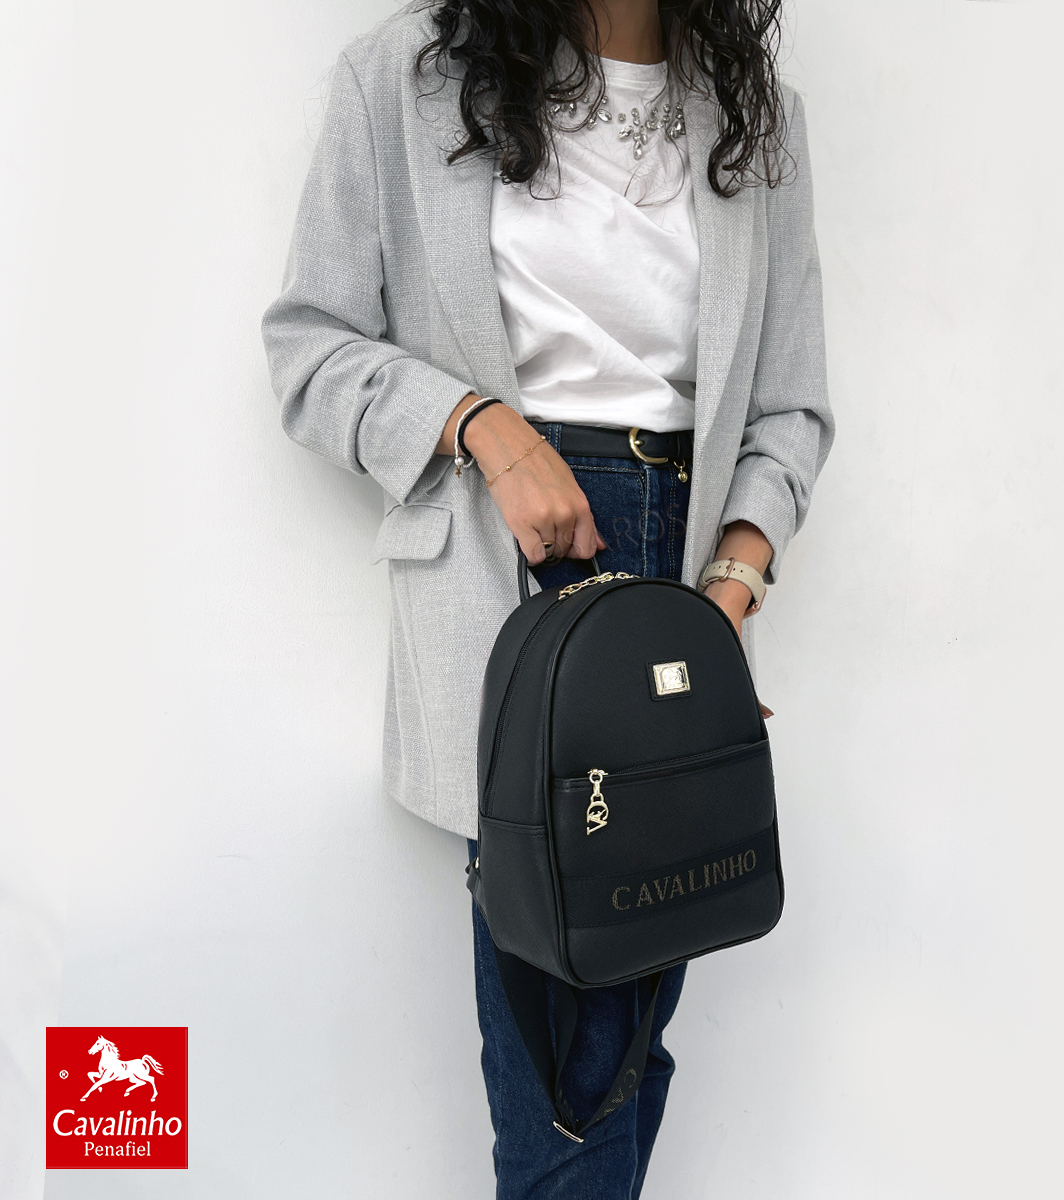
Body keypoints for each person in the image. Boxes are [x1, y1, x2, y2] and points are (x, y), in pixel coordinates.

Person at [261, 0, 832, 1194]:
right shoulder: (408, 76)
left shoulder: (751, 114)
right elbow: (310, 349)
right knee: (574, 1036)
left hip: (682, 576)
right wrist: (481, 426)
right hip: (506, 564)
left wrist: (727, 592)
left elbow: (788, 409)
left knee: (626, 1014)